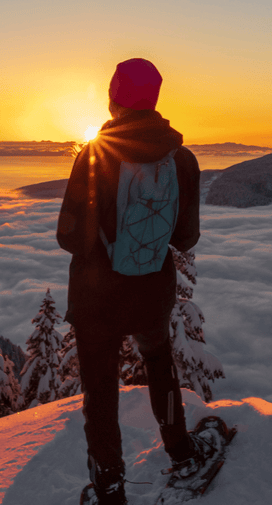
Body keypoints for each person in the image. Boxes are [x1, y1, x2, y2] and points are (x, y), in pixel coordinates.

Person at [56, 58, 203, 505]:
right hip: (152, 289)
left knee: (100, 390)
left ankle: (110, 484)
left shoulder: (96, 154)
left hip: (98, 297)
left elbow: (69, 236)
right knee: (160, 367)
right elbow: (186, 236)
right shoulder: (182, 159)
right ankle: (180, 452)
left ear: (114, 98)